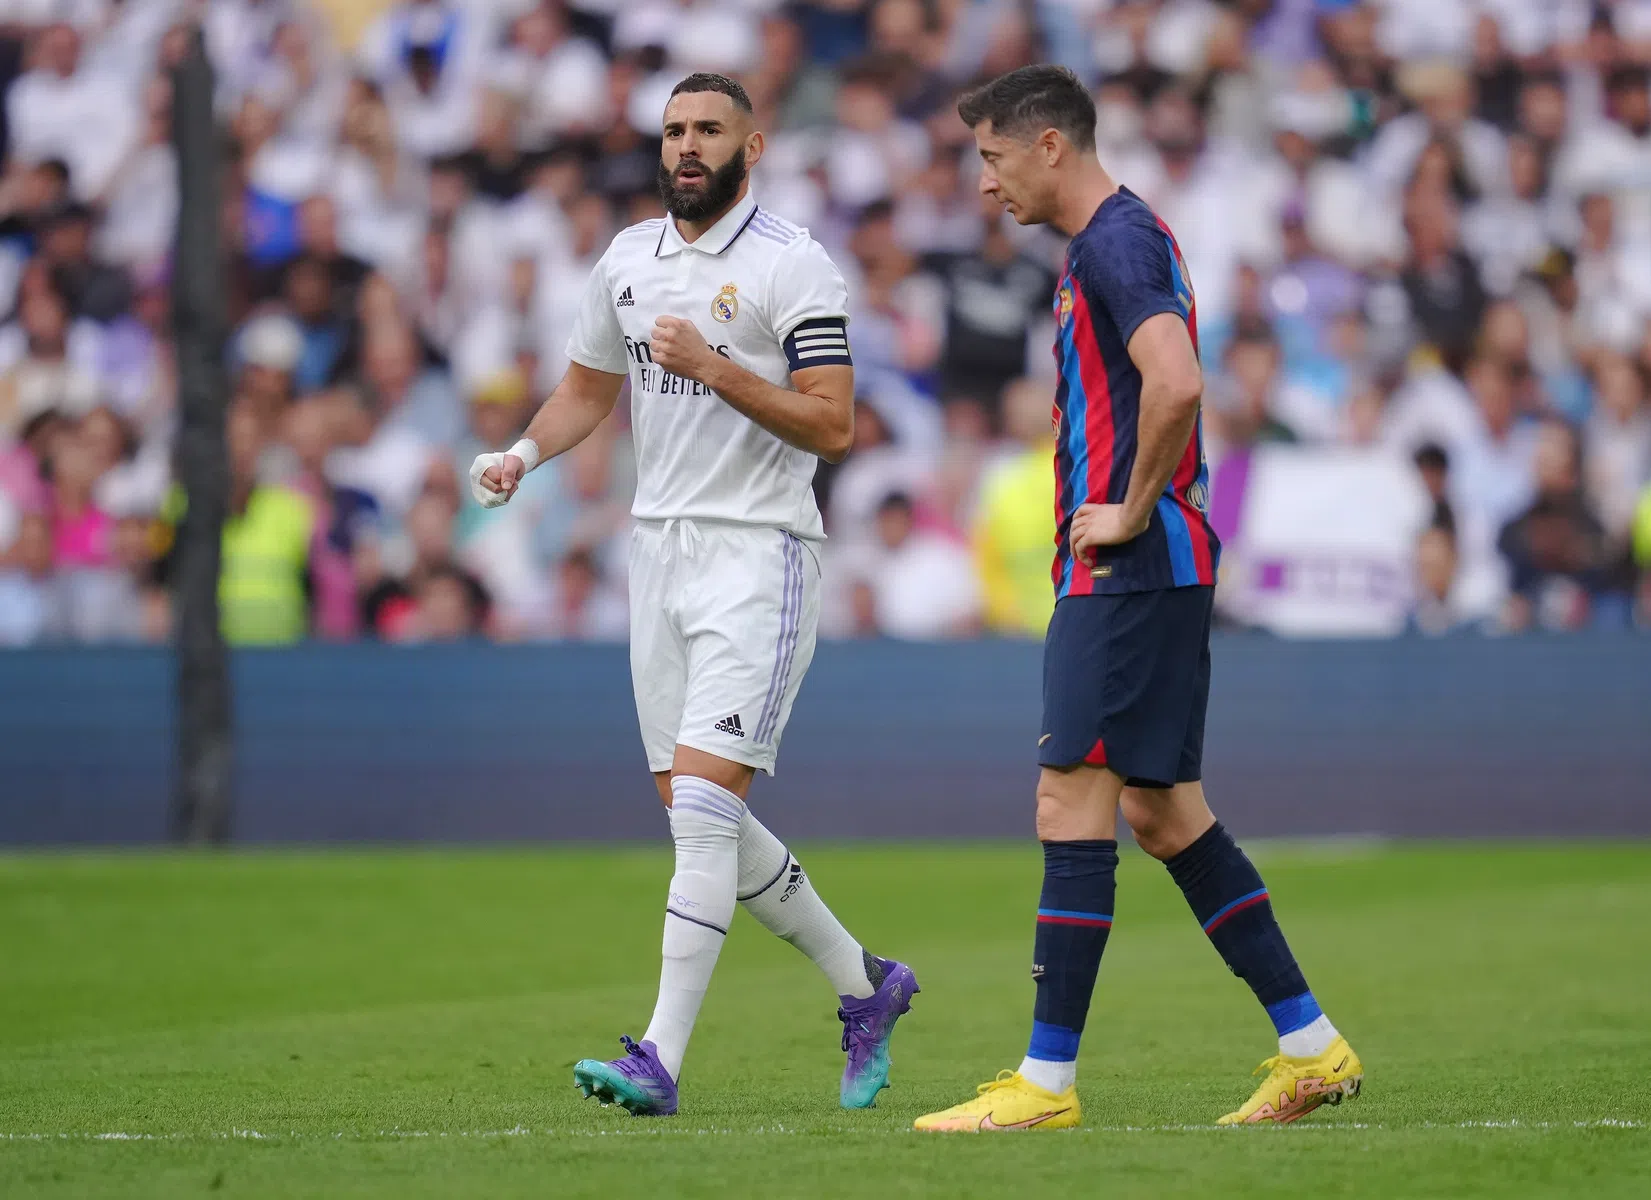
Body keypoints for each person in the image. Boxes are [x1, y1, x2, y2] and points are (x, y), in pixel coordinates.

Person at [915, 66, 1361, 1134]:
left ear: (1050, 147)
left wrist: (1124, 508)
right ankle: (1314, 1046)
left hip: (1128, 566)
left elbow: (1179, 381)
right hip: (1154, 565)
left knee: (1069, 802)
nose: (985, 183)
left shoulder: (1113, 240)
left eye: (992, 158)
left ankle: (1046, 1083)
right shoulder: (1112, 241)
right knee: (1163, 814)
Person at [467, 73, 917, 1117]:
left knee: (710, 810)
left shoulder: (794, 266)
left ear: (751, 149)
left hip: (761, 556)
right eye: (674, 130)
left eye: (709, 130)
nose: (687, 146)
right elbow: (589, 385)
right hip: (657, 557)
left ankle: (658, 1059)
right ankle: (867, 986)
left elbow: (834, 424)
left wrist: (717, 369)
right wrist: (526, 452)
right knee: (699, 820)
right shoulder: (627, 259)